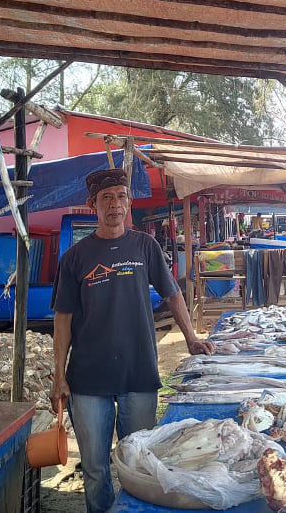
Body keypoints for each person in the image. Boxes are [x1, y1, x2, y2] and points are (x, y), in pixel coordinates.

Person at [49, 168, 215, 513]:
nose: (116, 204)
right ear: (91, 204)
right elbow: (62, 320)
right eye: (107, 198)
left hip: (139, 374)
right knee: (95, 470)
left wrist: (190, 338)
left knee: (140, 462)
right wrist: (59, 376)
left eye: (122, 197)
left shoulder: (145, 245)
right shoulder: (75, 258)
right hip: (89, 380)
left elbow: (172, 295)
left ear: (129, 202)